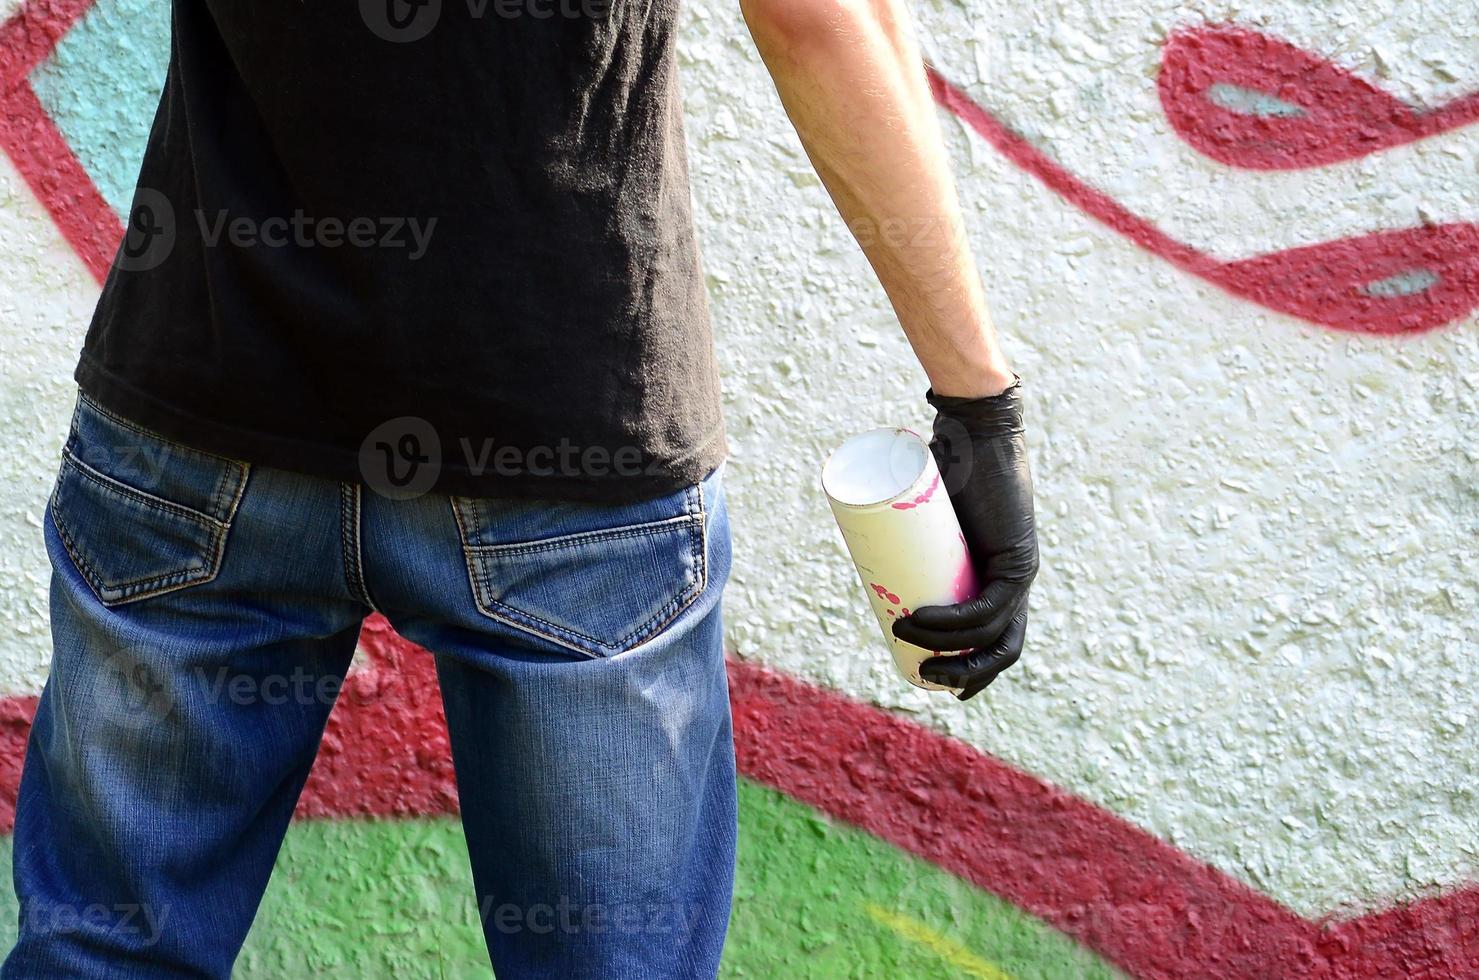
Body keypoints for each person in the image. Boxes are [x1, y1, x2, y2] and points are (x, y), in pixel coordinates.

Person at [4, 0, 1037, 976]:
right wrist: (978, 408)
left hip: (201, 413)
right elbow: (819, 18)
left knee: (104, 954)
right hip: (564, 439)